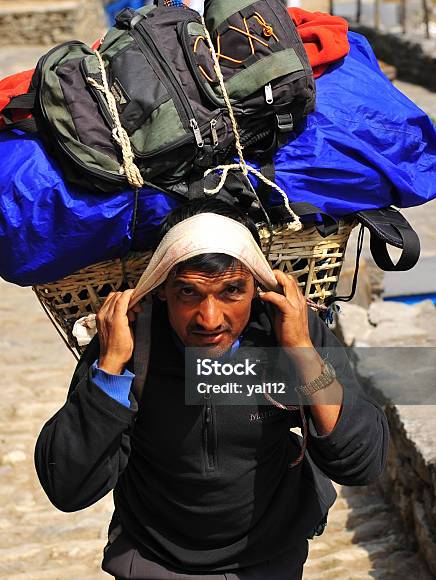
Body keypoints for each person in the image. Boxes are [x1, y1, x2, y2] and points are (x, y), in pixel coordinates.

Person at [34, 198, 389, 579]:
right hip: (154, 559)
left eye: (232, 291)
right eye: (188, 293)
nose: (209, 318)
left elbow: (361, 461)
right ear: (161, 289)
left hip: (268, 555)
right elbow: (67, 485)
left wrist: (302, 352)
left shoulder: (286, 331)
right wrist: (110, 367)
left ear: (256, 287)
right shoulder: (129, 345)